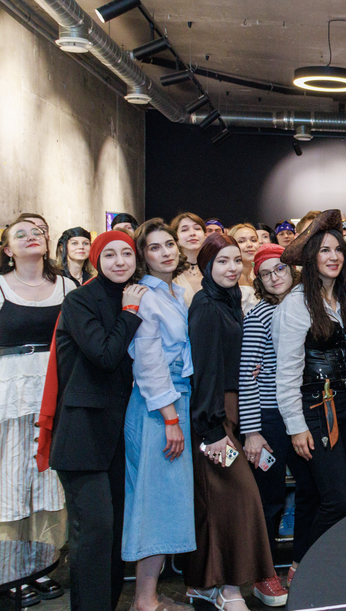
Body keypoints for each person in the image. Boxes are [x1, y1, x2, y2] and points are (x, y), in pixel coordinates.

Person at [42, 230, 147, 611]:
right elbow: (104, 355)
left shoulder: (134, 294)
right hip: (82, 434)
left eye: (126, 254)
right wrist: (130, 314)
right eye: (110, 255)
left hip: (118, 432)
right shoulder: (80, 299)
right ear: (96, 260)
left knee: (115, 529)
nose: (120, 261)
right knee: (95, 531)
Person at [185, 233, 275, 609]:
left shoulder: (229, 299)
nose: (232, 267)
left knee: (217, 504)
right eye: (222, 261)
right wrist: (211, 431)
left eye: (237, 260)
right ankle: (231, 589)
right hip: (212, 422)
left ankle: (204, 585)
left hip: (229, 417)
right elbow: (204, 371)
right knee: (239, 496)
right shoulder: (206, 304)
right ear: (206, 265)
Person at [274, 211, 346, 581]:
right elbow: (286, 373)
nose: (334, 256)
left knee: (313, 493)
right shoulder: (296, 304)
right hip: (315, 410)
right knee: (336, 499)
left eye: (338, 249)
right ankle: (306, 571)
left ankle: (303, 566)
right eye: (325, 250)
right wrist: (296, 426)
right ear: (310, 258)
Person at [0, 218, 76, 605]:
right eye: (21, 234)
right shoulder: (0, 287)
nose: (31, 237)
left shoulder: (67, 287)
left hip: (55, 387)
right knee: (11, 479)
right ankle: (10, 569)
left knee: (48, 479)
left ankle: (41, 565)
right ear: (7, 249)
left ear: (47, 243)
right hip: (10, 392)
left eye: (37, 232)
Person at [124, 220, 196, 611]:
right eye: (154, 247)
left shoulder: (175, 291)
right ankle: (144, 600)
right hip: (158, 407)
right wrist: (170, 418)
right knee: (153, 502)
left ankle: (148, 595)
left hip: (177, 400)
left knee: (166, 501)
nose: (166, 252)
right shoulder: (145, 295)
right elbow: (148, 361)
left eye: (169, 244)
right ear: (143, 256)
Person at [238, 243, 297, 606]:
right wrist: (252, 432)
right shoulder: (259, 316)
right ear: (258, 280)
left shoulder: (306, 307)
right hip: (269, 418)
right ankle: (264, 575)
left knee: (312, 491)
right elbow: (247, 376)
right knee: (269, 500)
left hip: (300, 415)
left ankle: (298, 565)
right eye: (265, 273)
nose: (274, 277)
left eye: (280, 269)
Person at [170, 212, 207, 307]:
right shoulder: (170, 271)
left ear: (205, 235)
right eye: (184, 230)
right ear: (176, 239)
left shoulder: (213, 268)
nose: (192, 233)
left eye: (197, 228)